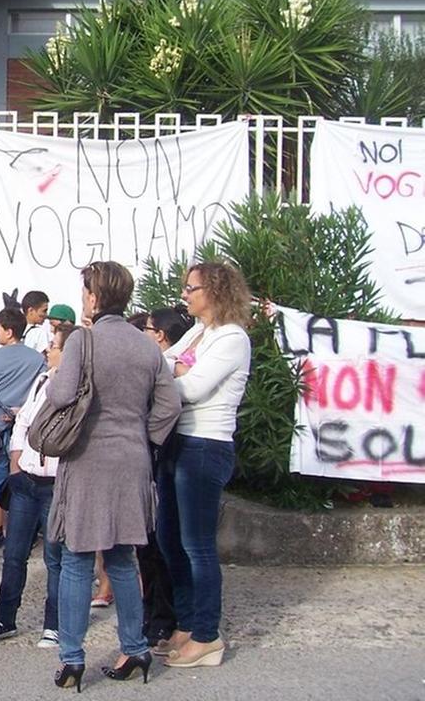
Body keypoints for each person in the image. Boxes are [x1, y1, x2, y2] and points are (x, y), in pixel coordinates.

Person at [46, 261, 181, 692]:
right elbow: (170, 406)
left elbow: (63, 394)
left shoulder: (82, 340)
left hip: (87, 459)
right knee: (123, 559)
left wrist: (54, 371)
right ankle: (135, 647)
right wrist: (145, 437)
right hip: (133, 459)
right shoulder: (147, 347)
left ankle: (71, 658)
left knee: (76, 559)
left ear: (93, 296)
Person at [155, 262, 252, 669]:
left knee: (197, 544)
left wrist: (177, 370)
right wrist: (176, 368)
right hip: (178, 439)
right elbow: (163, 363)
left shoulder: (232, 338)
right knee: (168, 537)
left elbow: (191, 388)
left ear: (213, 291)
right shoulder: (200, 332)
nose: (186, 295)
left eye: (191, 288)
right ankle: (187, 620)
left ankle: (207, 634)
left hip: (205, 444)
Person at [0, 325, 71, 648]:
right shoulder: (43, 380)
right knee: (15, 553)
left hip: (57, 482)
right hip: (27, 478)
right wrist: (15, 465)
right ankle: (4, 617)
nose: (47, 351)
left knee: (56, 557)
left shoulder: (79, 387)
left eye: (54, 346)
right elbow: (24, 422)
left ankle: (54, 624)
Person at [137, 305, 194, 646]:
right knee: (147, 544)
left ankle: (164, 617)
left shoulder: (171, 365)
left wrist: (151, 437)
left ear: (158, 334)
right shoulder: (156, 364)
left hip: (167, 454)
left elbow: (169, 407)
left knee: (163, 543)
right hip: (150, 458)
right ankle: (152, 612)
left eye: (146, 328)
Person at [0, 308, 46, 549]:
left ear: (9, 331)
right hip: (25, 429)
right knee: (23, 479)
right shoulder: (37, 359)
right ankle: (23, 531)